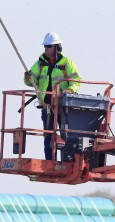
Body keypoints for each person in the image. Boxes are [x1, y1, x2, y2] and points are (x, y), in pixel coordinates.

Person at [24, 32, 81, 161]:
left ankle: (69, 160)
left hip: (63, 106)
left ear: (57, 47)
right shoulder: (40, 63)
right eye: (45, 46)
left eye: (49, 46)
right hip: (47, 107)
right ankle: (50, 161)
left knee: (67, 135)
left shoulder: (67, 63)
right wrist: (27, 78)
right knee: (48, 136)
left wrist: (70, 89)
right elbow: (31, 82)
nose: (46, 49)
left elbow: (76, 80)